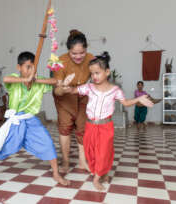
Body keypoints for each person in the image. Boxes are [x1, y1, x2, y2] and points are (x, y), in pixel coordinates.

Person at [0, 51, 69, 186]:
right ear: (19, 68)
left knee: (47, 143)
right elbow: (6, 79)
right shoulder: (15, 79)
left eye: (33, 67)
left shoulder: (38, 82)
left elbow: (55, 81)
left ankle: (56, 173)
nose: (31, 70)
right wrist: (26, 79)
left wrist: (35, 79)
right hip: (16, 120)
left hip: (31, 120)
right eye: (28, 67)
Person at [63, 52, 153, 190]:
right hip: (90, 126)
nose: (94, 76)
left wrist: (139, 99)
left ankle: (97, 178)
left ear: (107, 72)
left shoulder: (115, 90)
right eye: (92, 73)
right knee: (91, 152)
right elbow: (73, 90)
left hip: (106, 126)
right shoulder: (89, 88)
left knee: (104, 152)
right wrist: (66, 85)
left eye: (97, 73)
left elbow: (126, 103)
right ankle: (102, 172)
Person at [53, 30, 94, 173]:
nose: (78, 56)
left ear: (86, 49)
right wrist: (63, 87)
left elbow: (97, 77)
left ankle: (83, 162)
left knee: (82, 128)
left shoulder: (91, 59)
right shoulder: (61, 61)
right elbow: (57, 89)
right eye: (74, 53)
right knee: (65, 128)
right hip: (64, 97)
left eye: (81, 53)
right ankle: (65, 162)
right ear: (68, 50)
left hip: (82, 94)